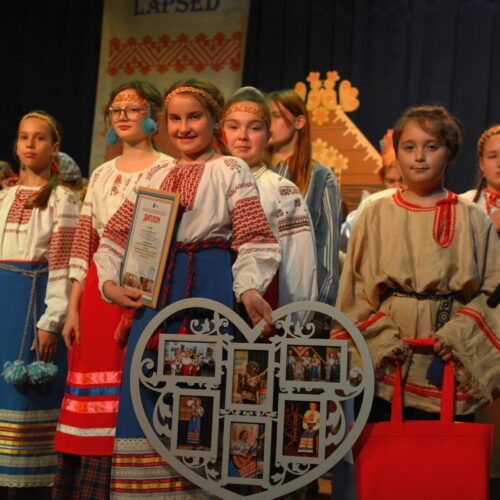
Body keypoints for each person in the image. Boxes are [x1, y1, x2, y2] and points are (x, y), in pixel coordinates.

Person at [92, 77, 280, 497]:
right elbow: (116, 235)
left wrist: (249, 289)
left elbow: (252, 234)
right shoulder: (158, 173)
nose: (183, 127)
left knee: (204, 387)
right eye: (174, 119)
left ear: (215, 121)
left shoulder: (230, 169)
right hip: (158, 293)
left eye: (194, 117)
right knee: (150, 383)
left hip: (209, 287)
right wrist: (109, 282)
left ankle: (199, 485)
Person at [336, 105, 500, 423]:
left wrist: (459, 337)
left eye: (431, 147)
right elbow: (354, 290)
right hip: (387, 363)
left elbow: (494, 291)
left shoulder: (472, 217)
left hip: (447, 362)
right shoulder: (375, 213)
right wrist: (383, 340)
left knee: (446, 449)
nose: (419, 157)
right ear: (397, 154)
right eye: (409, 147)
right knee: (385, 444)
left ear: (449, 154)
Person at [52, 81, 170, 499]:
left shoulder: (168, 169)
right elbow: (85, 243)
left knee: (131, 388)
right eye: (116, 109)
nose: (122, 116)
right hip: (97, 297)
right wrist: (72, 308)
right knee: (90, 391)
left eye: (133, 108)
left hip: (142, 291)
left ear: (153, 114)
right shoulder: (102, 173)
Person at [0, 111, 78, 497]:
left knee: (28, 397)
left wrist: (51, 320)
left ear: (55, 147)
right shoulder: (3, 197)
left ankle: (28, 485)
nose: (30, 144)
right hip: (4, 301)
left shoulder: (62, 200)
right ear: (16, 145)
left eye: (40, 137)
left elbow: (63, 263)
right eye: (23, 137)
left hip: (33, 306)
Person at [222, 86, 317, 310]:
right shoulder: (208, 180)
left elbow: (298, 265)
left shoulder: (282, 190)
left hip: (261, 304)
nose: (242, 136)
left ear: (268, 136)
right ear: (221, 132)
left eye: (254, 128)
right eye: (233, 127)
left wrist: (294, 318)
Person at [267, 89, 342, 312]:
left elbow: (327, 246)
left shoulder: (319, 177)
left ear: (298, 122)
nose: (267, 124)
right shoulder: (250, 170)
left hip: (297, 294)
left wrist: (320, 308)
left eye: (275, 116)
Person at [461, 124, 500, 234]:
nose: (499, 163)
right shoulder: (465, 203)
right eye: (492, 156)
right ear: (482, 163)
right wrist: (490, 227)